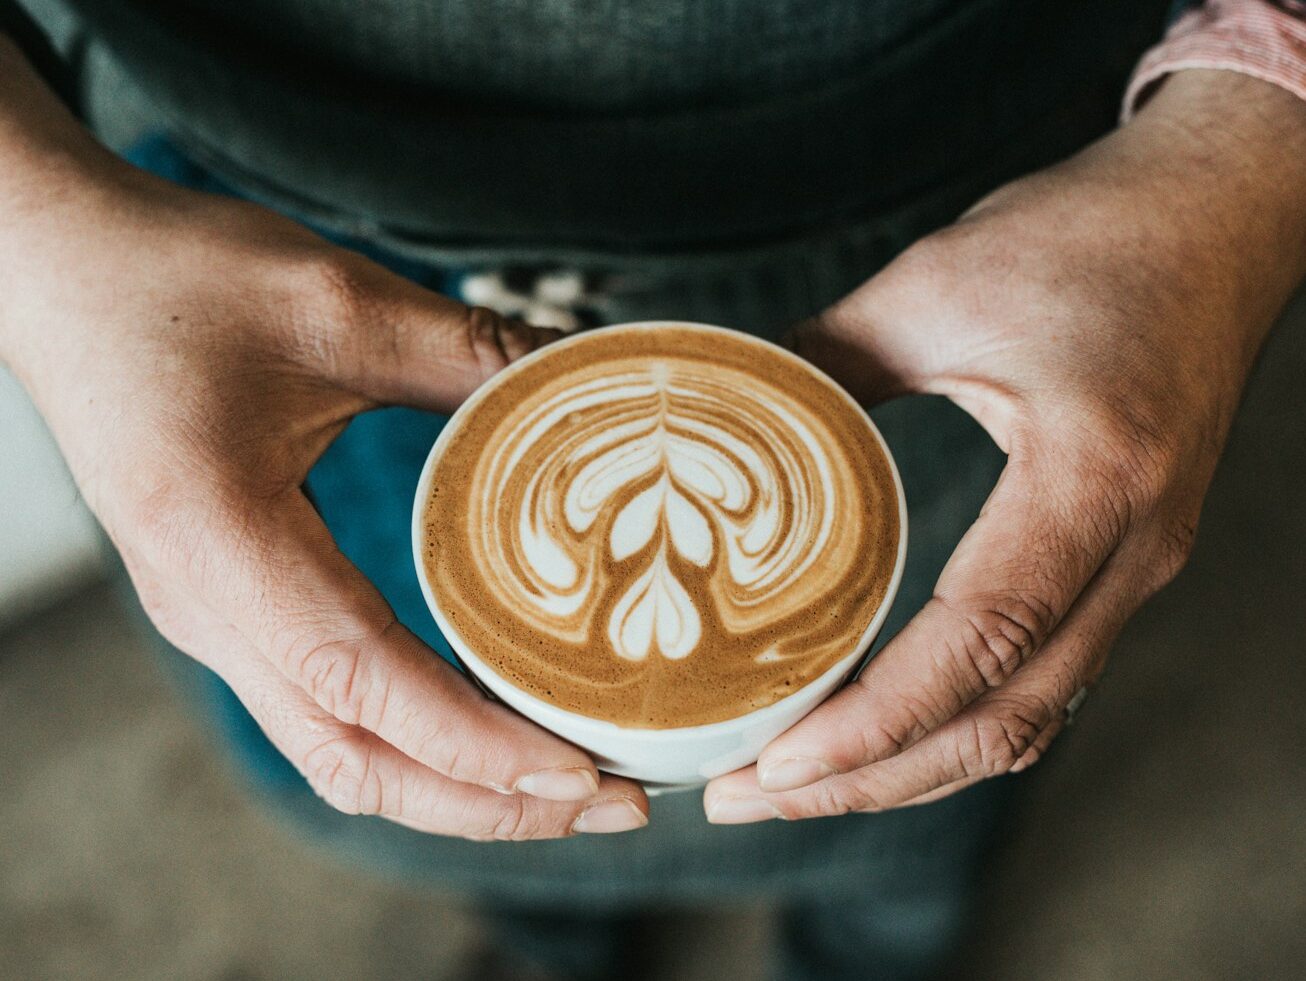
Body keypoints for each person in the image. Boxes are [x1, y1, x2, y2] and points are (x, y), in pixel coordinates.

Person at [2, 1, 1304, 978]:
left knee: (941, 742)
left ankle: (876, 950)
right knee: (438, 764)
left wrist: (1249, 134)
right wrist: (35, 231)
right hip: (247, 252)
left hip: (965, 221)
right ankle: (554, 934)